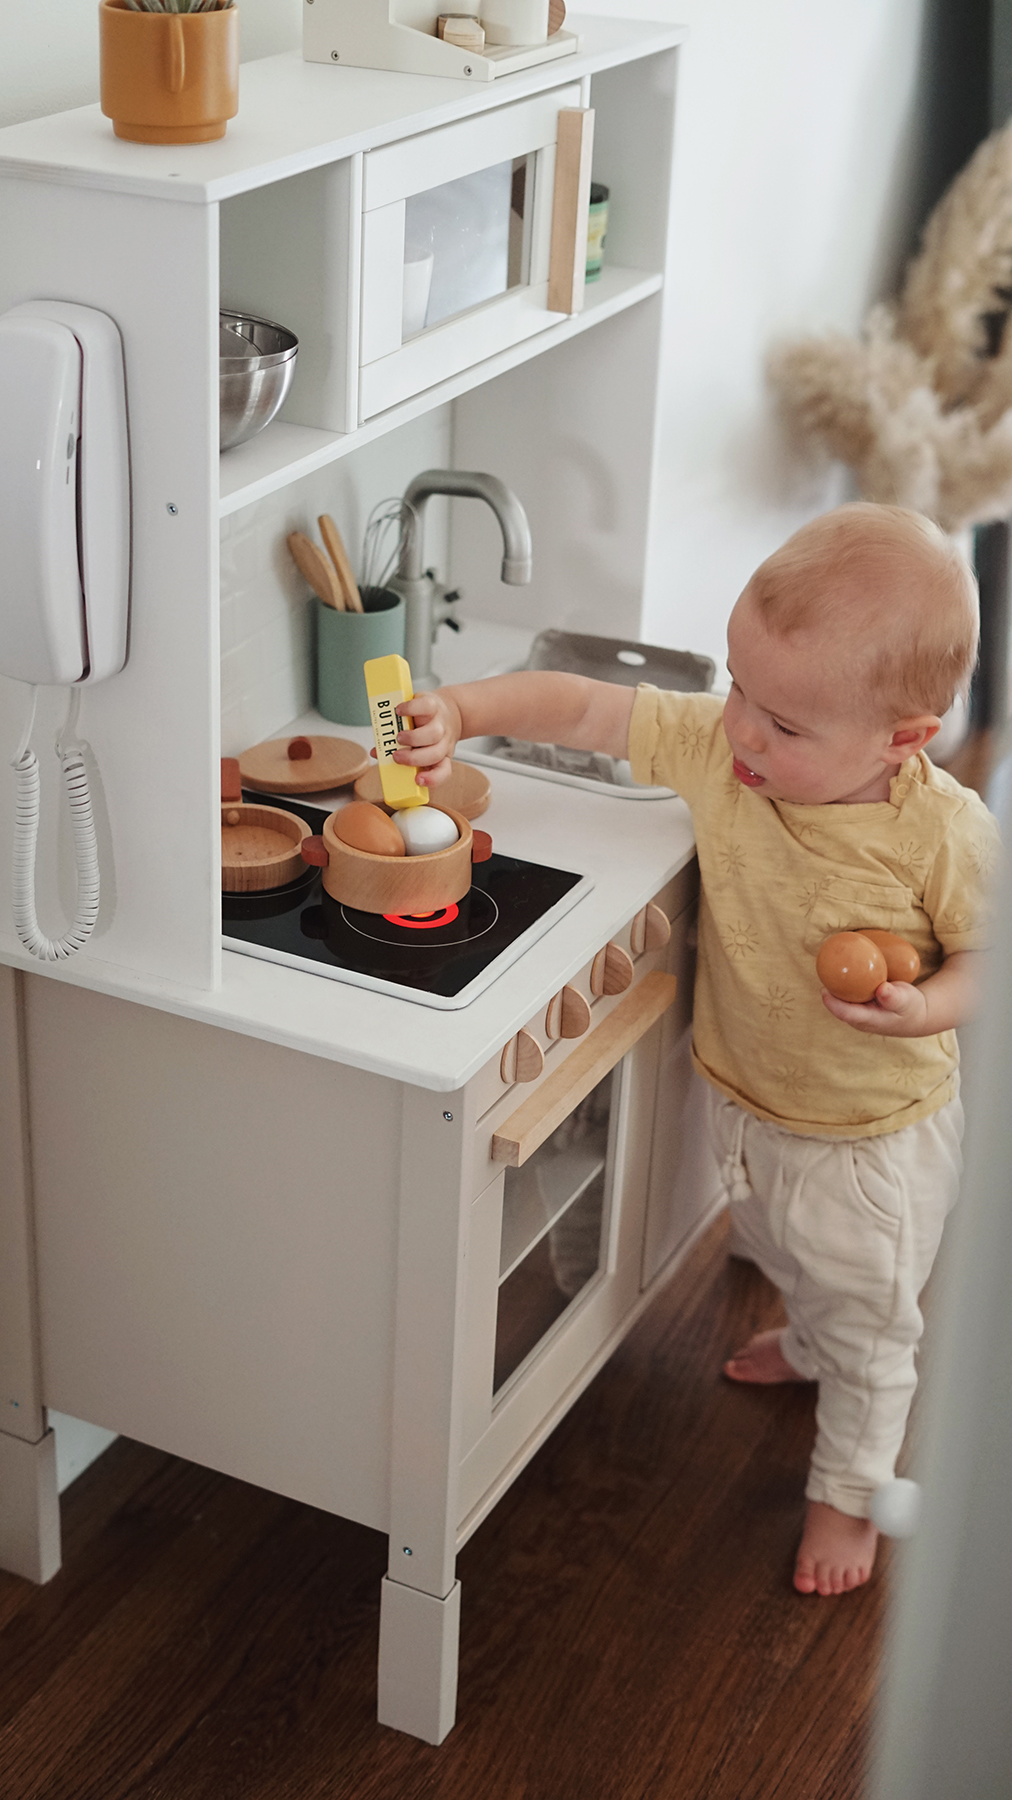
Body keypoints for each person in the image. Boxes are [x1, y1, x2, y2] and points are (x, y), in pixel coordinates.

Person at [389, 503, 1000, 1597]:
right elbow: (583, 704)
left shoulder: (942, 833)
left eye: (787, 725)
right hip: (750, 1098)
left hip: (871, 1146)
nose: (745, 733)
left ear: (904, 737)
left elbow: (989, 958)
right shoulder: (732, 754)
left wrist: (929, 1005)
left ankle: (849, 1493)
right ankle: (808, 1343)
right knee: (777, 1248)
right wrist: (461, 708)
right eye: (738, 690)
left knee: (871, 1320)